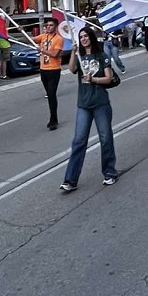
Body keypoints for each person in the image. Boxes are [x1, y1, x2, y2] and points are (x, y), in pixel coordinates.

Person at [59, 28, 118, 192]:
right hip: (83, 104)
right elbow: (71, 70)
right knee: (78, 140)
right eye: (81, 37)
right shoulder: (80, 56)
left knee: (105, 138)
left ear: (91, 37)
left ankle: (110, 172)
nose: (84, 39)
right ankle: (70, 179)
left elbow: (108, 78)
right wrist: (73, 52)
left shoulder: (102, 56)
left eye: (86, 36)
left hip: (100, 103)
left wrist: (93, 79)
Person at [36, 18, 65, 130]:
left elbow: (55, 54)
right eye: (47, 25)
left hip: (54, 69)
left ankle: (53, 120)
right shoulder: (43, 36)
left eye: (51, 25)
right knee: (49, 94)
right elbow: (31, 39)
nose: (48, 27)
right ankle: (53, 117)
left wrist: (42, 50)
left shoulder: (58, 39)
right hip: (43, 69)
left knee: (52, 94)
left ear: (55, 27)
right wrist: (21, 31)